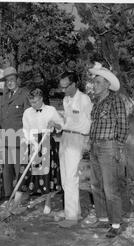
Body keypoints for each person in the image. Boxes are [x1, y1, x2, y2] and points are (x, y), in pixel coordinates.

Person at [88, 62, 129, 238]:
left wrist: (118, 146)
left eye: (97, 82)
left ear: (106, 84)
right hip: (95, 146)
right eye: (94, 82)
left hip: (108, 146)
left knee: (110, 187)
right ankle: (103, 218)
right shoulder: (96, 103)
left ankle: (116, 224)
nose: (94, 85)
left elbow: (123, 124)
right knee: (96, 184)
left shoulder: (116, 100)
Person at [11, 88, 64, 213]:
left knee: (46, 174)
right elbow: (25, 130)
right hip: (32, 143)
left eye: (35, 102)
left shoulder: (51, 110)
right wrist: (31, 144)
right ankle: (15, 203)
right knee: (24, 174)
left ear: (41, 99)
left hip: (47, 144)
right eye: (31, 102)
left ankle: (48, 202)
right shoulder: (27, 112)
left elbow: (61, 125)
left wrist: (55, 124)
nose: (32, 105)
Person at [56, 71, 93, 228]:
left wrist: (86, 142)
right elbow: (68, 120)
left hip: (77, 138)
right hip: (65, 137)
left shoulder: (84, 99)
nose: (63, 90)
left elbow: (89, 121)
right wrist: (58, 124)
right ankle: (72, 210)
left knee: (71, 177)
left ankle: (71, 217)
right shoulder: (66, 99)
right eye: (62, 87)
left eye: (66, 86)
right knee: (64, 177)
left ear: (73, 84)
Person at [0, 67, 31, 202]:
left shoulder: (25, 94)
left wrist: (27, 137)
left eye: (12, 80)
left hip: (19, 138)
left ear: (17, 80)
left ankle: (21, 196)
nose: (9, 83)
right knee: (6, 169)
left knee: (19, 169)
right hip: (6, 138)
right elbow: (2, 118)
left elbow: (29, 117)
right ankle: (7, 194)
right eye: (7, 81)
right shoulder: (5, 96)